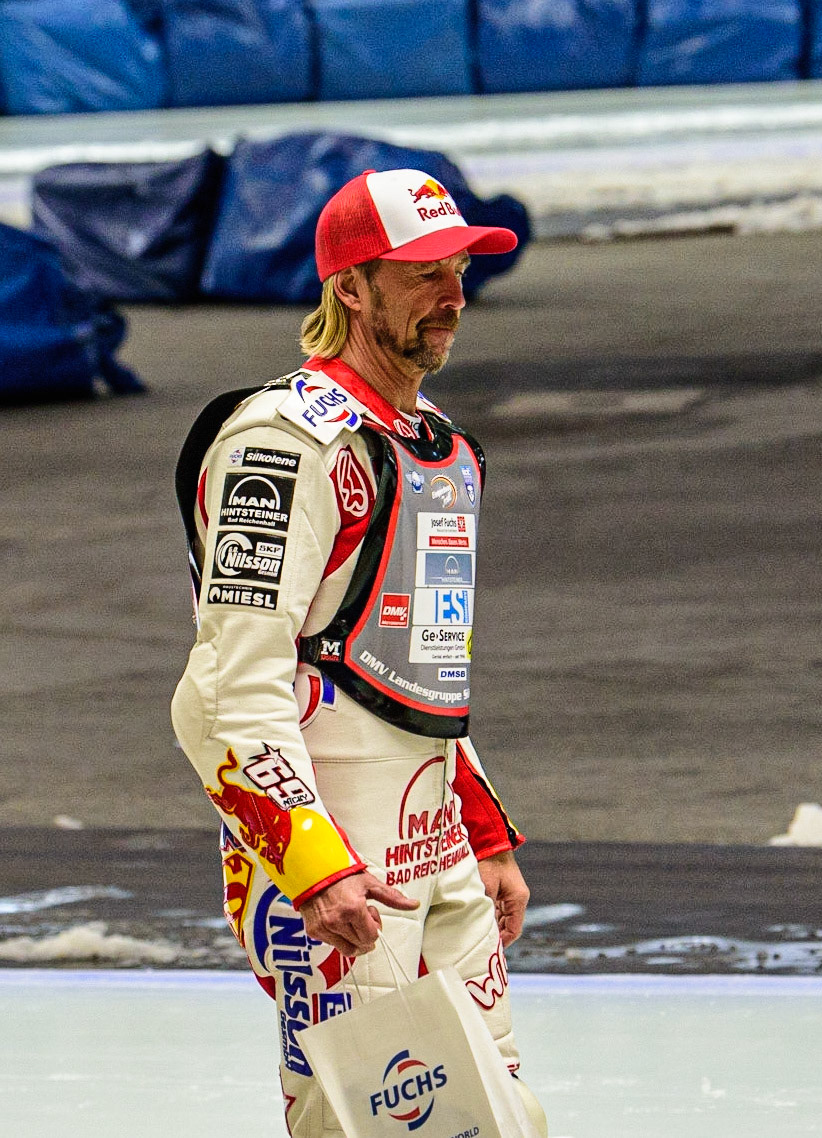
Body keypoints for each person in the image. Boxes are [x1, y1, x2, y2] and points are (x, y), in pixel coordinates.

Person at [171, 168, 547, 1137]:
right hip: (342, 868)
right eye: (422, 271)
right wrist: (310, 860)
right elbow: (222, 692)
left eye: (459, 267)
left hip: (438, 847)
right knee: (367, 1125)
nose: (452, 293)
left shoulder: (436, 448)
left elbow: (415, 672)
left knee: (503, 1116)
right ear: (350, 288)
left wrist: (483, 828)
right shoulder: (283, 443)